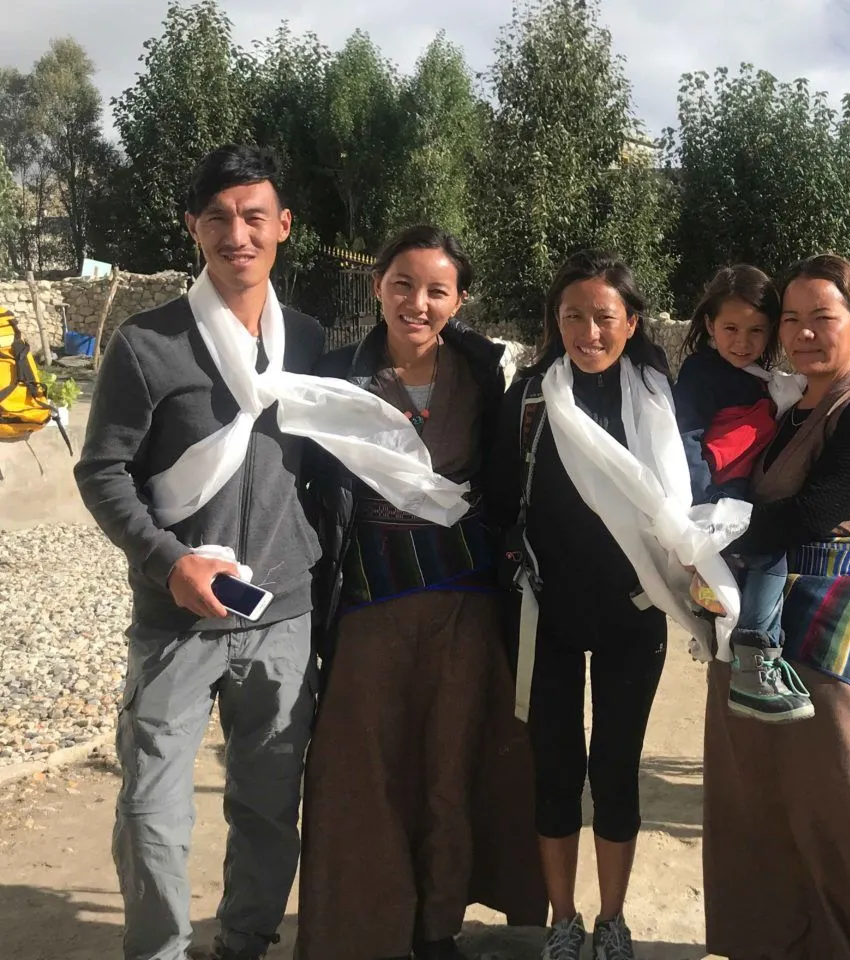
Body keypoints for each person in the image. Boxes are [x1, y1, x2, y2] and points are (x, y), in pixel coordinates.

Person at [73, 145, 326, 960]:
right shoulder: (147, 345)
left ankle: (245, 943)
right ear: (194, 227)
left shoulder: (313, 343)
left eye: (255, 216)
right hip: (175, 618)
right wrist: (166, 561)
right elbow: (101, 469)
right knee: (151, 809)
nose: (237, 234)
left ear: (283, 226)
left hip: (280, 618)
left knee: (267, 807)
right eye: (218, 218)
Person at [294, 225, 547, 959]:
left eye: (437, 290)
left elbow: (507, 483)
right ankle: (364, 926)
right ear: (378, 286)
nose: (417, 302)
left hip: (462, 604)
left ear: (459, 300)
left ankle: (437, 927)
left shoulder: (483, 375)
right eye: (402, 284)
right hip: (370, 598)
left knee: (449, 765)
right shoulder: (338, 375)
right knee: (362, 768)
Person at [488, 249, 737, 960]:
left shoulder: (661, 401)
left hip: (633, 617)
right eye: (573, 317)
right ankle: (564, 919)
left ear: (631, 323)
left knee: (617, 768)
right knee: (557, 769)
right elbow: (502, 502)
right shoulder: (533, 400)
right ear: (554, 322)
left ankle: (614, 920)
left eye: (604, 317)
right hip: (549, 620)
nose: (588, 332)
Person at [702, 254, 850, 959]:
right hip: (753, 623)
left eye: (822, 318)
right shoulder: (788, 404)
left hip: (826, 620)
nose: (804, 333)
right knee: (758, 798)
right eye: (792, 320)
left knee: (844, 794)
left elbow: (815, 512)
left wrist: (707, 531)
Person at [672, 265, 813, 723]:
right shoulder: (700, 373)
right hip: (717, 497)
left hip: (744, 495)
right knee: (769, 557)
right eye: (730, 328)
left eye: (756, 330)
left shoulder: (763, 378)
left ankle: (732, 641)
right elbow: (688, 438)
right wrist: (702, 505)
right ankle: (757, 655)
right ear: (710, 325)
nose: (742, 341)